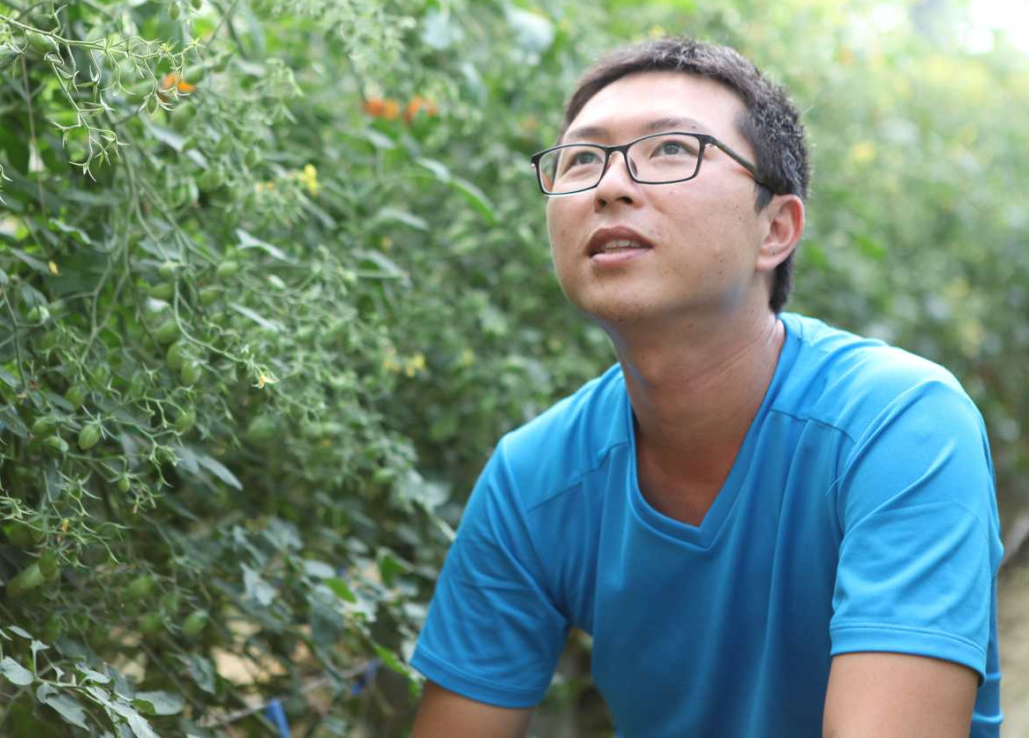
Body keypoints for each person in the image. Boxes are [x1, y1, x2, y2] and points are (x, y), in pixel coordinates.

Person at [408, 37, 1003, 738]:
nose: (609, 186)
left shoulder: (900, 425)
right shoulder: (535, 479)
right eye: (582, 159)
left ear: (775, 230)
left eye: (670, 149)